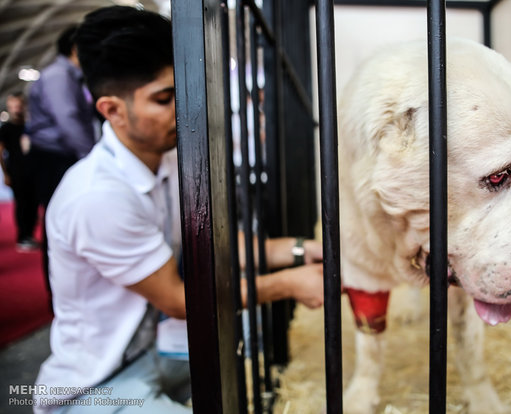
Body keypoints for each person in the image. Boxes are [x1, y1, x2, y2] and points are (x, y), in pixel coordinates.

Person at [33, 6, 324, 413]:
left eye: (184, 92)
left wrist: (299, 249)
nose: (184, 109)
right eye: (165, 99)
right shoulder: (97, 196)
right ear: (112, 110)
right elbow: (178, 300)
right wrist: (290, 284)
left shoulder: (166, 157)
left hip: (152, 355)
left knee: (251, 347)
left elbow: (216, 246)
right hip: (93, 385)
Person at [26, 25, 99, 291]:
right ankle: (60, 290)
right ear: (75, 48)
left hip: (61, 155)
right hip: (54, 157)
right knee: (58, 219)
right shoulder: (59, 76)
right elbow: (67, 120)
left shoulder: (71, 76)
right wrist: (91, 156)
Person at [0, 92, 39, 251]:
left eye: (19, 105)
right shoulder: (6, 129)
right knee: (22, 204)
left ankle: (29, 235)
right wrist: (6, 174)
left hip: (32, 171)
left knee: (33, 204)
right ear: (9, 107)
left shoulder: (30, 127)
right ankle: (22, 237)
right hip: (16, 172)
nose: (17, 109)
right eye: (14, 106)